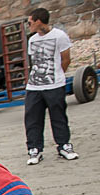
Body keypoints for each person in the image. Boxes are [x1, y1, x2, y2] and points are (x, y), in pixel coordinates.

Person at [24, 7, 78, 165]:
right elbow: (33, 62)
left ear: (38, 21)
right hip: (34, 87)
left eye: (30, 22)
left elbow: (66, 59)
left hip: (54, 85)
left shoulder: (60, 36)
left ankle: (64, 146)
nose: (29, 25)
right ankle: (35, 149)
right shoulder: (32, 40)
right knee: (32, 118)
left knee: (58, 117)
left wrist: (58, 75)